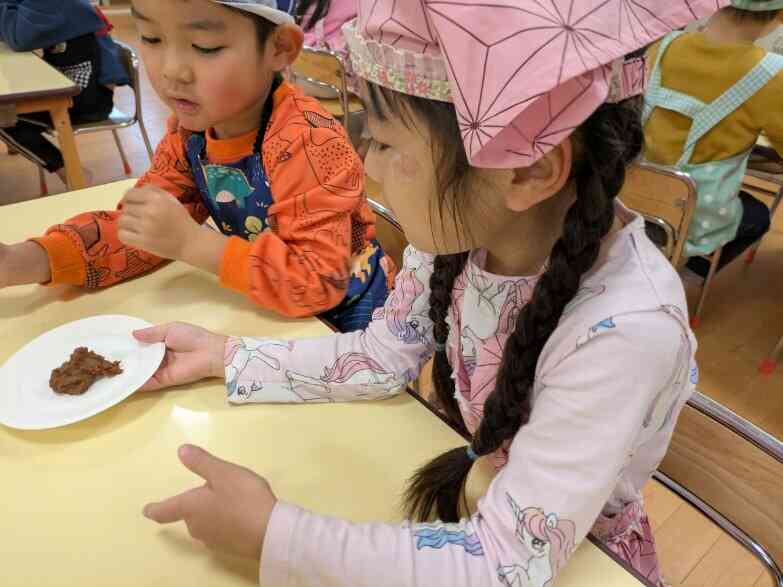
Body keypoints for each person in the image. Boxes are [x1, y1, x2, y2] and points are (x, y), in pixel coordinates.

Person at [135, 1, 722, 585]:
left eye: (387, 143)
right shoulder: (459, 234)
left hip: (582, 563)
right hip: (477, 505)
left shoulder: (626, 330)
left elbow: (506, 560)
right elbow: (381, 356)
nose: (369, 168)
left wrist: (275, 536)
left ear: (528, 171)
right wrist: (224, 356)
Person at [0, 0, 394, 333]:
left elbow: (319, 282)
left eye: (204, 46)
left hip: (348, 324)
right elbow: (141, 230)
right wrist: (28, 260)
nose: (173, 71)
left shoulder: (309, 140)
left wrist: (194, 244)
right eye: (151, 38)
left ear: (279, 48)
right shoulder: (191, 134)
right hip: (266, 317)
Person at [643, 0, 783, 281]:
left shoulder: (664, 45)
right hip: (692, 218)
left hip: (631, 194)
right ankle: (686, 271)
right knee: (757, 217)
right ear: (779, 16)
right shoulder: (772, 75)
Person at [0, 0, 129, 185]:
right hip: (78, 90)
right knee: (9, 110)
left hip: (88, 101)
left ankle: (71, 171)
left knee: (5, 118)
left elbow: (18, 39)